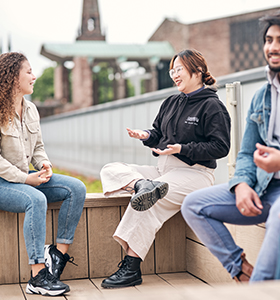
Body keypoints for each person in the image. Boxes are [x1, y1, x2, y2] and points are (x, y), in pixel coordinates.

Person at [100, 49, 231, 288]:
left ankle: (131, 267)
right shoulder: (171, 102)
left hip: (195, 174)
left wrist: (183, 149)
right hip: (162, 170)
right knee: (111, 169)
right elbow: (158, 133)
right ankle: (141, 185)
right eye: (173, 70)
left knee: (152, 200)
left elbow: (220, 147)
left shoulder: (213, 106)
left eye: (179, 69)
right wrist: (146, 135)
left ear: (198, 70)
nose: (174, 75)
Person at [181, 11, 280, 283]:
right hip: (264, 187)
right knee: (193, 205)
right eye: (269, 40)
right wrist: (242, 185)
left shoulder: (210, 104)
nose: (273, 47)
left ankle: (258, 287)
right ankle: (241, 271)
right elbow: (247, 152)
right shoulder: (263, 95)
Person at [0, 52, 86, 296]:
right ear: (12, 77)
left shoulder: (31, 110)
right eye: (28, 72)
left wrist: (44, 165)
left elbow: (37, 148)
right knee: (35, 199)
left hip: (25, 177)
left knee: (76, 188)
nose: (34, 76)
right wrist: (26, 178)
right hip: (3, 183)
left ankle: (57, 257)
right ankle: (37, 275)